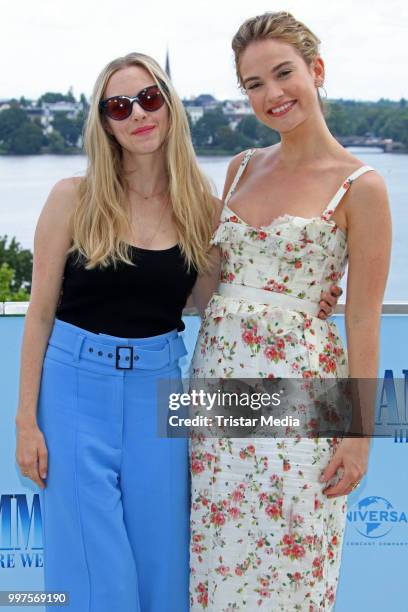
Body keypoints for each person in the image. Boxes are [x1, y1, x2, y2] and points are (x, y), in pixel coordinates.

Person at [189, 11, 391, 611]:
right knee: (218, 569)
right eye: (254, 84)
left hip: (304, 401)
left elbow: (363, 319)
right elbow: (210, 287)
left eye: (283, 74)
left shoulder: (363, 187)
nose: (272, 94)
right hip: (216, 398)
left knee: (293, 569)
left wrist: (359, 436)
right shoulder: (241, 167)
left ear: (317, 71)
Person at [14, 52, 216, 612]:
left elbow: (213, 298)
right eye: (119, 106)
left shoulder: (201, 209)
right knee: (95, 578)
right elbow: (39, 313)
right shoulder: (72, 198)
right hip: (74, 389)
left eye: (150, 99)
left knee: (162, 570)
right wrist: (26, 421)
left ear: (170, 107)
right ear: (105, 122)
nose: (138, 115)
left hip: (159, 391)